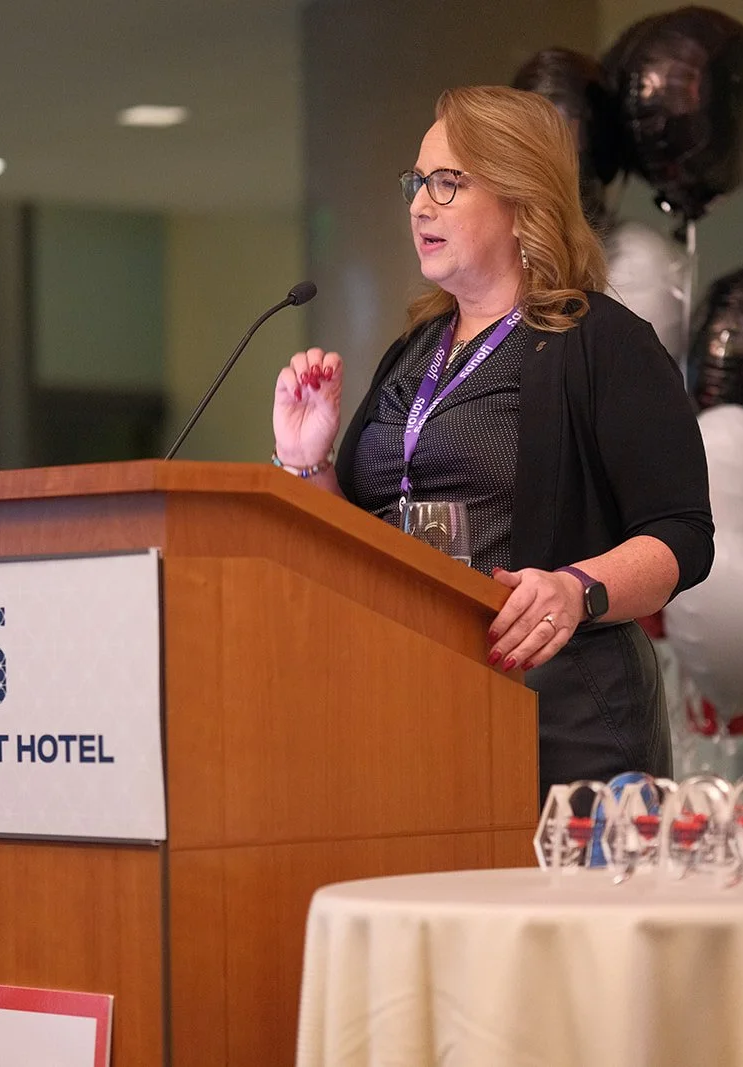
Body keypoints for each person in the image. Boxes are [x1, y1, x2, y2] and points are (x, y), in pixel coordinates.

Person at [269, 85, 713, 790]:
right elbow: (359, 544)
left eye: (447, 183)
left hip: (562, 718)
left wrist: (579, 588)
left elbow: (683, 534)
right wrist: (307, 461)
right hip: (410, 703)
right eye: (418, 183)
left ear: (520, 197)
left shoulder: (601, 341)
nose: (419, 205)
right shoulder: (414, 350)